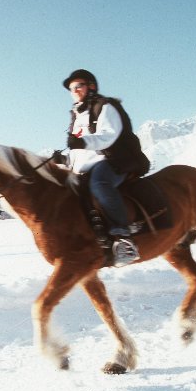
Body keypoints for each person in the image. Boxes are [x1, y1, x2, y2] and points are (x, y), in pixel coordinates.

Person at [60, 69, 151, 267]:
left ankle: (123, 238)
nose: (75, 91)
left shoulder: (105, 106)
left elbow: (109, 135)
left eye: (79, 86)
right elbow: (80, 152)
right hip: (90, 166)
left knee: (100, 183)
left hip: (117, 159)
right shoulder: (77, 115)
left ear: (91, 86)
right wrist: (65, 158)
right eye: (71, 89)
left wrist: (80, 142)